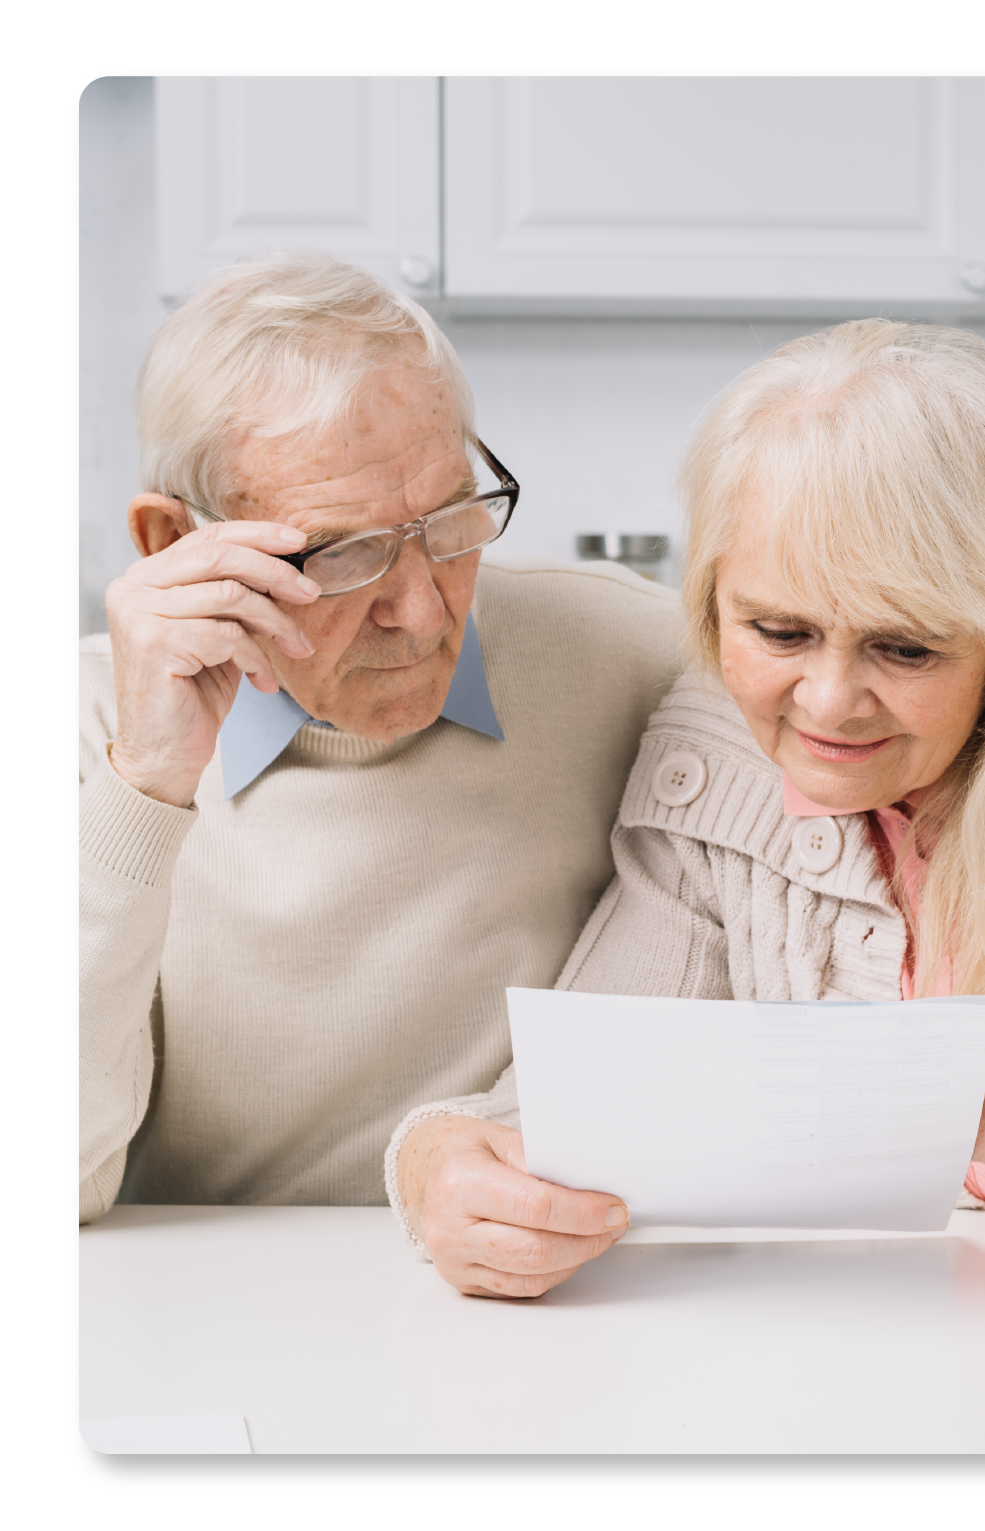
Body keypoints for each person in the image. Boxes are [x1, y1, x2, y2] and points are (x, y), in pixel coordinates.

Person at [392, 321, 985, 1298]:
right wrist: (434, 1170)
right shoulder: (714, 753)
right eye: (780, 630)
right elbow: (553, 1114)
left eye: (908, 647)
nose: (829, 704)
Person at [79, 253, 678, 1223]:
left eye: (450, 519)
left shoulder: (640, 656)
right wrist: (149, 785)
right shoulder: (102, 727)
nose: (421, 607)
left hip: (547, 1301)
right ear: (172, 543)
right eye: (346, 552)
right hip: (215, 1323)